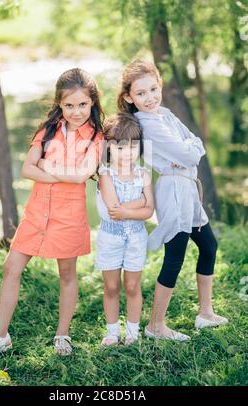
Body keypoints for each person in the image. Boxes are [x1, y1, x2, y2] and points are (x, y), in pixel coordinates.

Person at [0, 68, 104, 358]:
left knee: (67, 273)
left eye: (83, 104)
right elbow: (26, 169)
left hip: (69, 215)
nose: (76, 111)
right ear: (59, 104)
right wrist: (60, 172)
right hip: (37, 212)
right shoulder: (47, 130)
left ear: (92, 103)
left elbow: (81, 175)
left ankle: (62, 335)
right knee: (11, 267)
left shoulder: (96, 138)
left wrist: (47, 167)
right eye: (69, 105)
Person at [117, 59, 228, 342]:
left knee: (209, 245)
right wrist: (188, 151)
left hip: (188, 187)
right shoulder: (148, 124)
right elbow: (192, 154)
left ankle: (205, 312)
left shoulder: (163, 113)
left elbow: (196, 142)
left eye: (153, 89)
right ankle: (156, 324)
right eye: (141, 94)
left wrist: (189, 149)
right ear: (129, 97)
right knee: (175, 255)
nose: (150, 97)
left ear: (160, 85)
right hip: (173, 190)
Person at [95, 112, 154, 346]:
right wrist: (139, 202)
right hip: (110, 238)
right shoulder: (105, 173)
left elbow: (149, 212)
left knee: (132, 286)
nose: (126, 153)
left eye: (131, 147)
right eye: (119, 148)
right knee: (111, 286)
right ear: (109, 147)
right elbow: (113, 210)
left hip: (137, 239)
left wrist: (131, 209)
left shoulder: (143, 174)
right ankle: (112, 332)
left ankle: (132, 332)